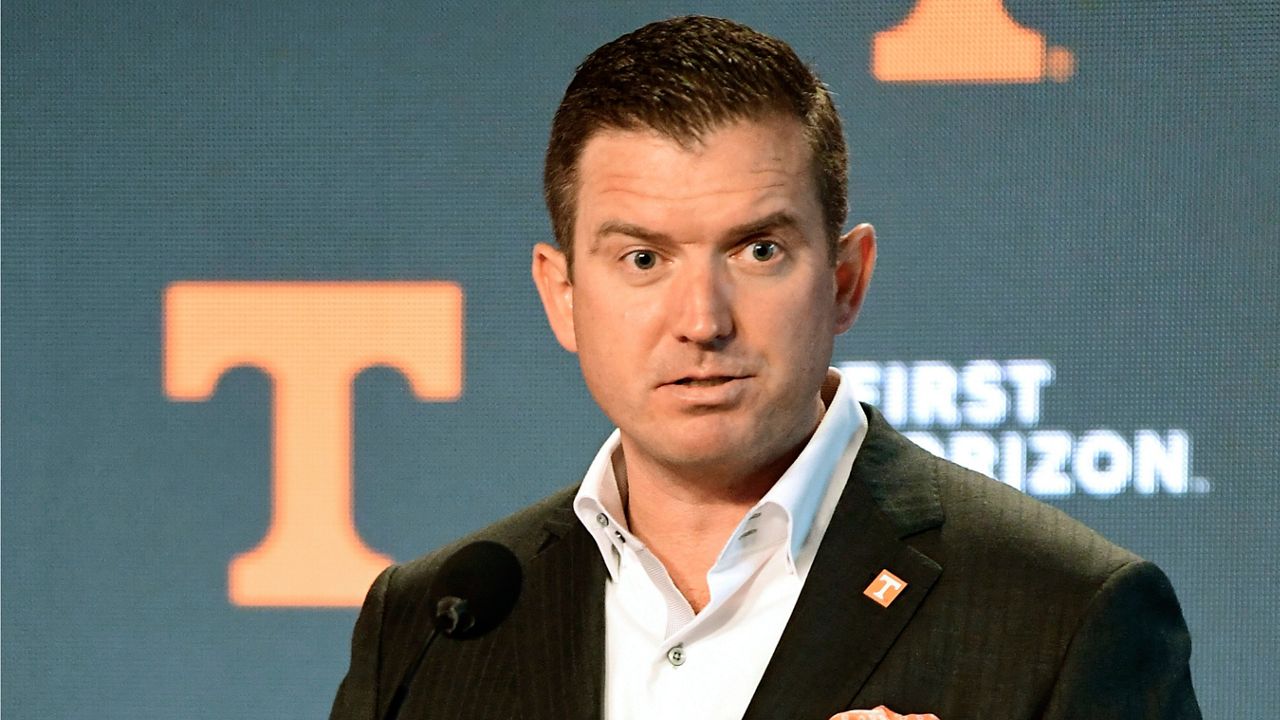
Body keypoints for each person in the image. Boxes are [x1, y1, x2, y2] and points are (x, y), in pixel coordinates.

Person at [330, 15, 1201, 720]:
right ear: (561, 294)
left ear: (846, 280)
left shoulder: (1064, 614)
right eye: (642, 260)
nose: (702, 321)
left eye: (757, 249)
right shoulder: (430, 627)